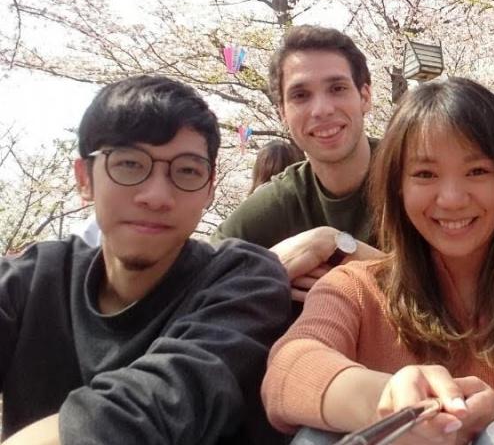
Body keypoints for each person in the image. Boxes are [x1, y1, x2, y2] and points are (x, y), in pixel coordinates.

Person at [262, 78, 494, 445]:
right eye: (425, 174)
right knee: (318, 432)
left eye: (477, 171)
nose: (451, 198)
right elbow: (288, 369)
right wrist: (393, 402)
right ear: (397, 187)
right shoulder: (356, 288)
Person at [0, 75, 290, 444]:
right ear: (84, 178)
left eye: (186, 171)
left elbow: (165, 402)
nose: (156, 196)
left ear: (209, 189)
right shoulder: (31, 279)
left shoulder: (244, 282)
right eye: (129, 165)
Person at [213, 26, 381, 302]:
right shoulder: (282, 199)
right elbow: (198, 275)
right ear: (282, 113)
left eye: (337, 88)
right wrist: (270, 267)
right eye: (300, 96)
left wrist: (335, 246)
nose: (322, 110)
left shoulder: (415, 174)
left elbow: (462, 288)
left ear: (365, 97)